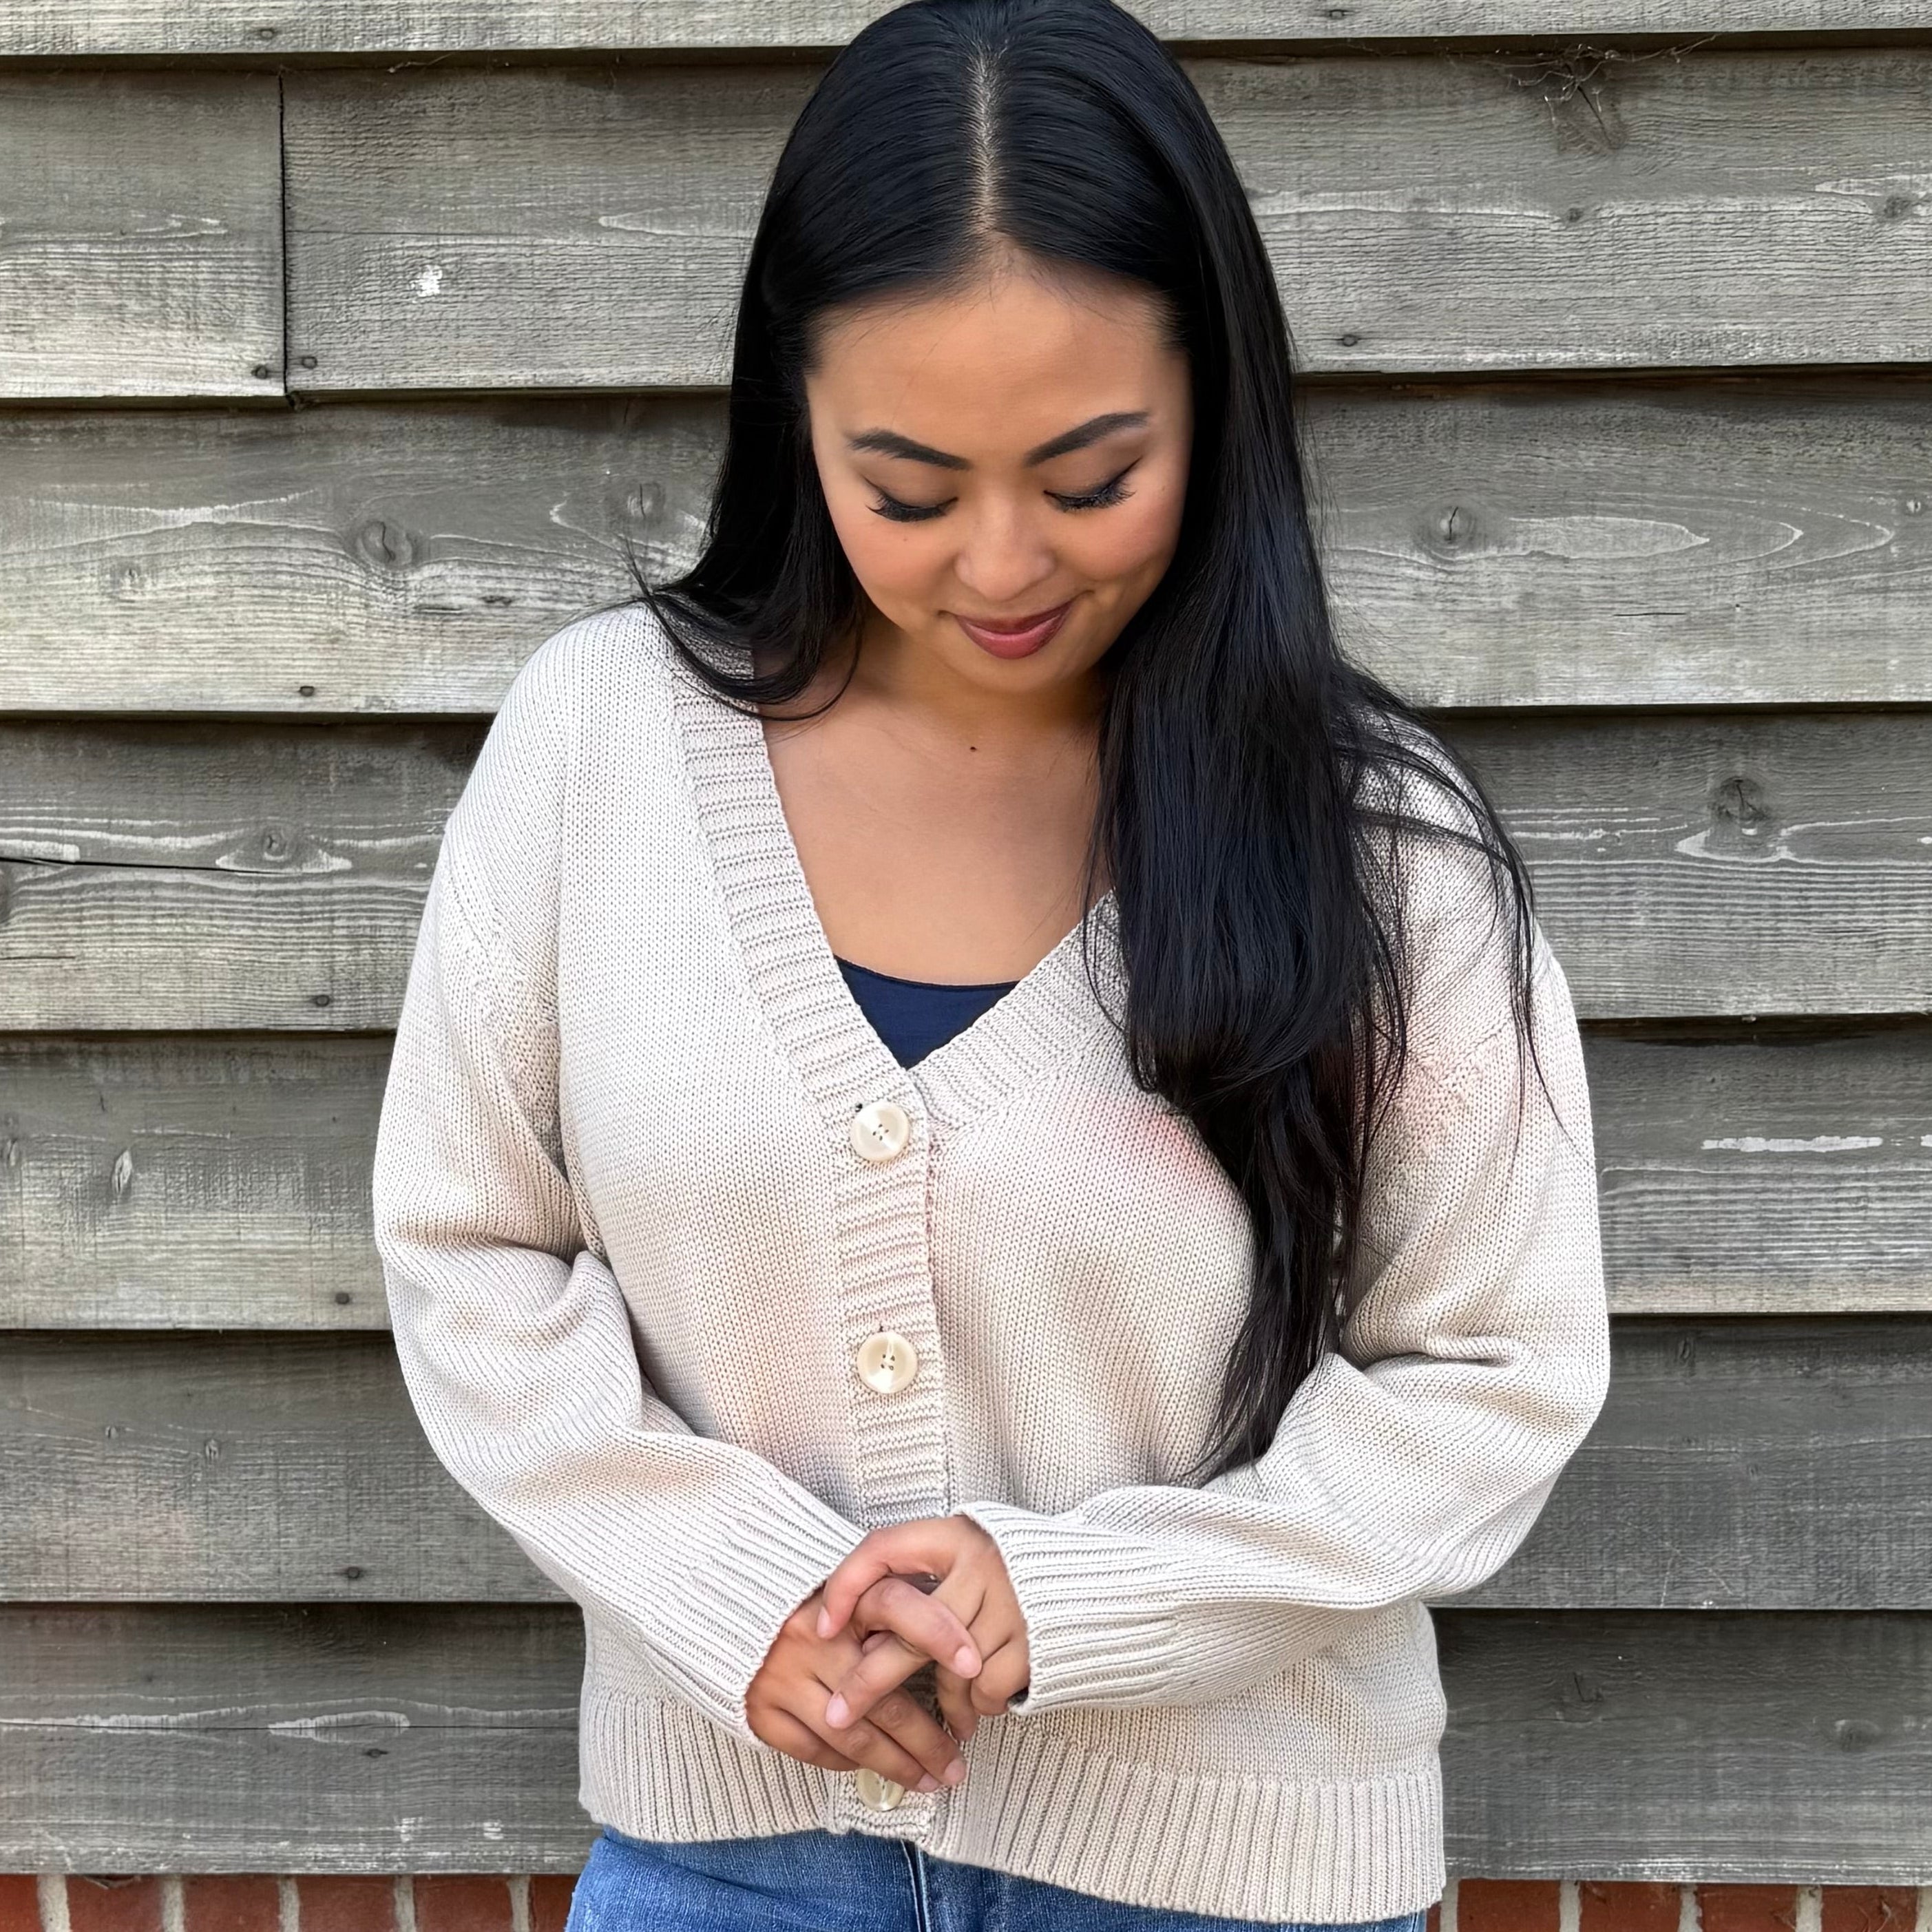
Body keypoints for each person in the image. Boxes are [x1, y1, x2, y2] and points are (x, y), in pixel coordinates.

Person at [369, 0, 1613, 1926]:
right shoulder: (597, 748)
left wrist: (1088, 1600)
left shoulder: (1378, 851)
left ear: (1216, 403)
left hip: (1233, 1878)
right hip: (729, 1862)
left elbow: (1491, 1370)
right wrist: (733, 1583)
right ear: (795, 416)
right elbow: (471, 1249)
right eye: (913, 487)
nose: (1006, 564)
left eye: (1093, 472)